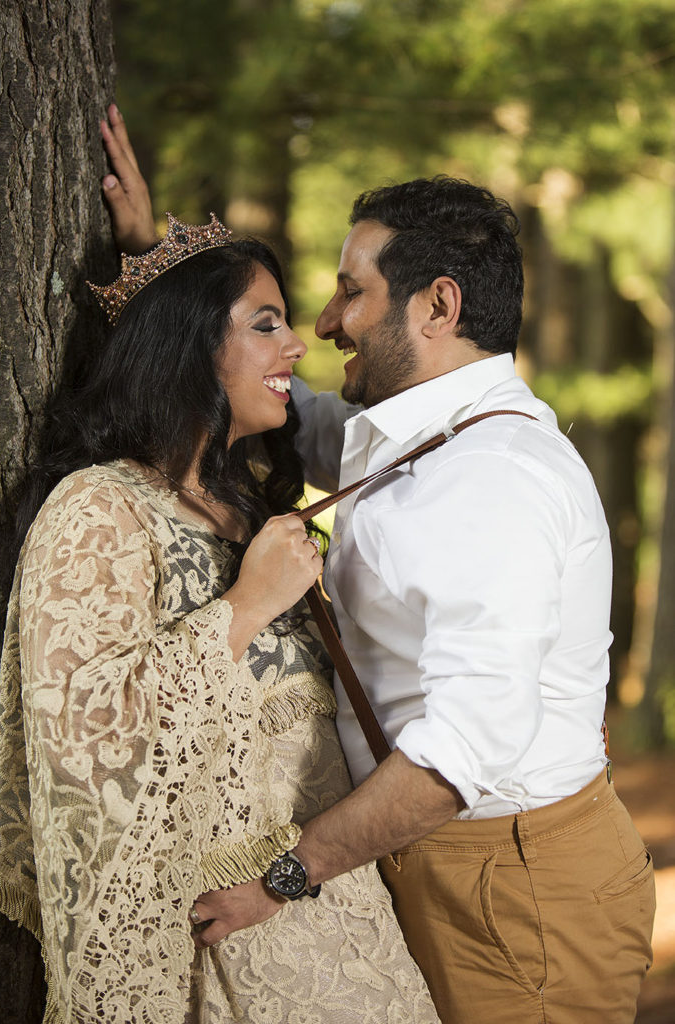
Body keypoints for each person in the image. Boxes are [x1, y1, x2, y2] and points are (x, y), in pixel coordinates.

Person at [100, 106, 656, 1024]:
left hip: (512, 889)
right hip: (446, 856)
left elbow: (458, 757)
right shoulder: (413, 435)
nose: (323, 323)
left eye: (349, 292)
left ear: (437, 306)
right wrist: (165, 276)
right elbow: (283, 406)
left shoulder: (493, 480)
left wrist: (283, 878)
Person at [0, 214, 439, 1023]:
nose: (297, 347)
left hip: (337, 918)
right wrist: (243, 608)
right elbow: (82, 737)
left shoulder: (245, 508)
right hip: (208, 942)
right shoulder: (97, 509)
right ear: (190, 345)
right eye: (266, 325)